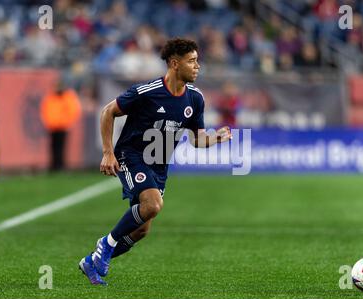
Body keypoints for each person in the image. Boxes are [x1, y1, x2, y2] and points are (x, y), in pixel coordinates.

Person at [78, 38, 232, 285]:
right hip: (132, 155)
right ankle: (104, 245)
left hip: (159, 165)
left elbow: (196, 139)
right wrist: (108, 152)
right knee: (152, 205)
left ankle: (90, 261)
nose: (197, 66)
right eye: (191, 61)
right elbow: (108, 112)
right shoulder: (146, 92)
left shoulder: (195, 98)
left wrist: (215, 139)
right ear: (174, 63)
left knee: (141, 230)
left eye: (197, 61)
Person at [40, 80, 82, 171]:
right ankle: (54, 165)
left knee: (61, 147)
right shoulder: (50, 97)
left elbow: (73, 111)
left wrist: (67, 122)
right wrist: (48, 123)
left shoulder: (67, 97)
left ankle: (61, 165)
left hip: (63, 126)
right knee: (53, 147)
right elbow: (45, 111)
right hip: (52, 126)